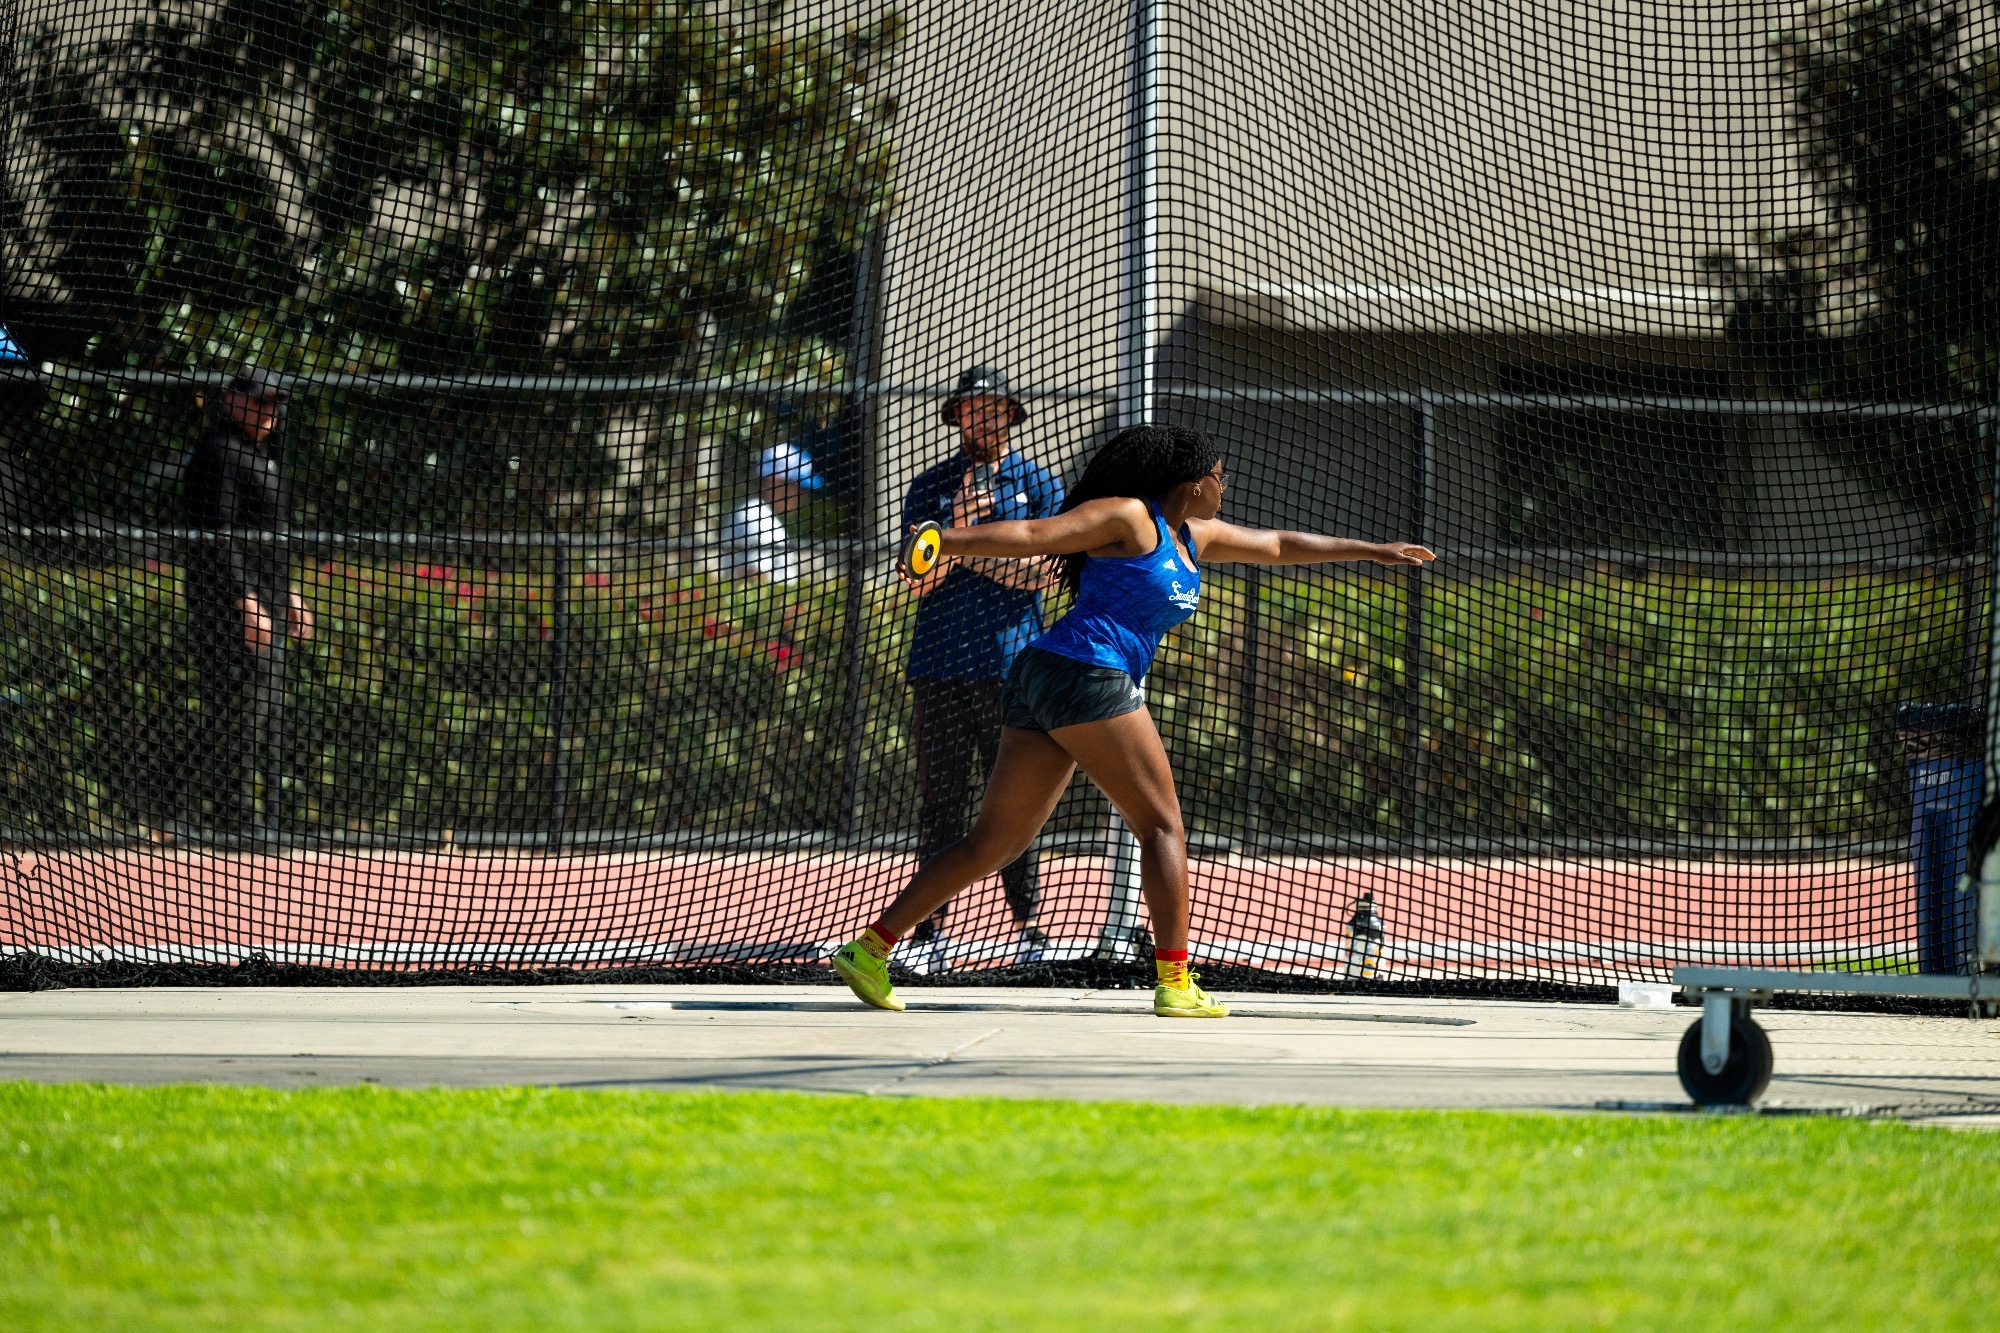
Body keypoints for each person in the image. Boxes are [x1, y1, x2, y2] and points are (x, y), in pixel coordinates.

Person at [834, 424, 1434, 1017]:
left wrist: (1374, 550)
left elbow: (1278, 544)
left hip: (1050, 675)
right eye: (1219, 478)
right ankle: (1175, 982)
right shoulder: (1128, 515)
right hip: (1086, 671)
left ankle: (869, 950)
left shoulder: (1192, 535)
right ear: (1194, 482)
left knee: (996, 842)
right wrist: (944, 540)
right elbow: (1037, 534)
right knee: (1162, 827)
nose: (1224, 488)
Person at [898, 366, 1064, 970]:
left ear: (1011, 415)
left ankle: (1028, 927)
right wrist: (963, 531)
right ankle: (928, 931)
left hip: (1013, 668)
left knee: (1017, 802)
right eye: (972, 409)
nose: (983, 418)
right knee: (941, 800)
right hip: (939, 663)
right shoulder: (931, 487)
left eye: (994, 408)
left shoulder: (1040, 485)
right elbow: (918, 580)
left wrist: (962, 546)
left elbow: (1043, 575)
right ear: (958, 418)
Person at [181, 366, 314, 832]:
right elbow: (216, 535)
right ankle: (231, 815)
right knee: (237, 711)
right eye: (261, 401)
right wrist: (246, 603)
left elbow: (270, 536)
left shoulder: (260, 454)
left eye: (277, 402)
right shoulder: (220, 452)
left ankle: (252, 814)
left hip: (267, 600)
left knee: (261, 710)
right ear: (232, 400)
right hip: (229, 606)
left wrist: (289, 592)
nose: (270, 411)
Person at [720, 440, 823, 584]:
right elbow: (753, 578)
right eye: (797, 486)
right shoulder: (754, 516)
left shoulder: (765, 516)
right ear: (775, 481)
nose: (802, 495)